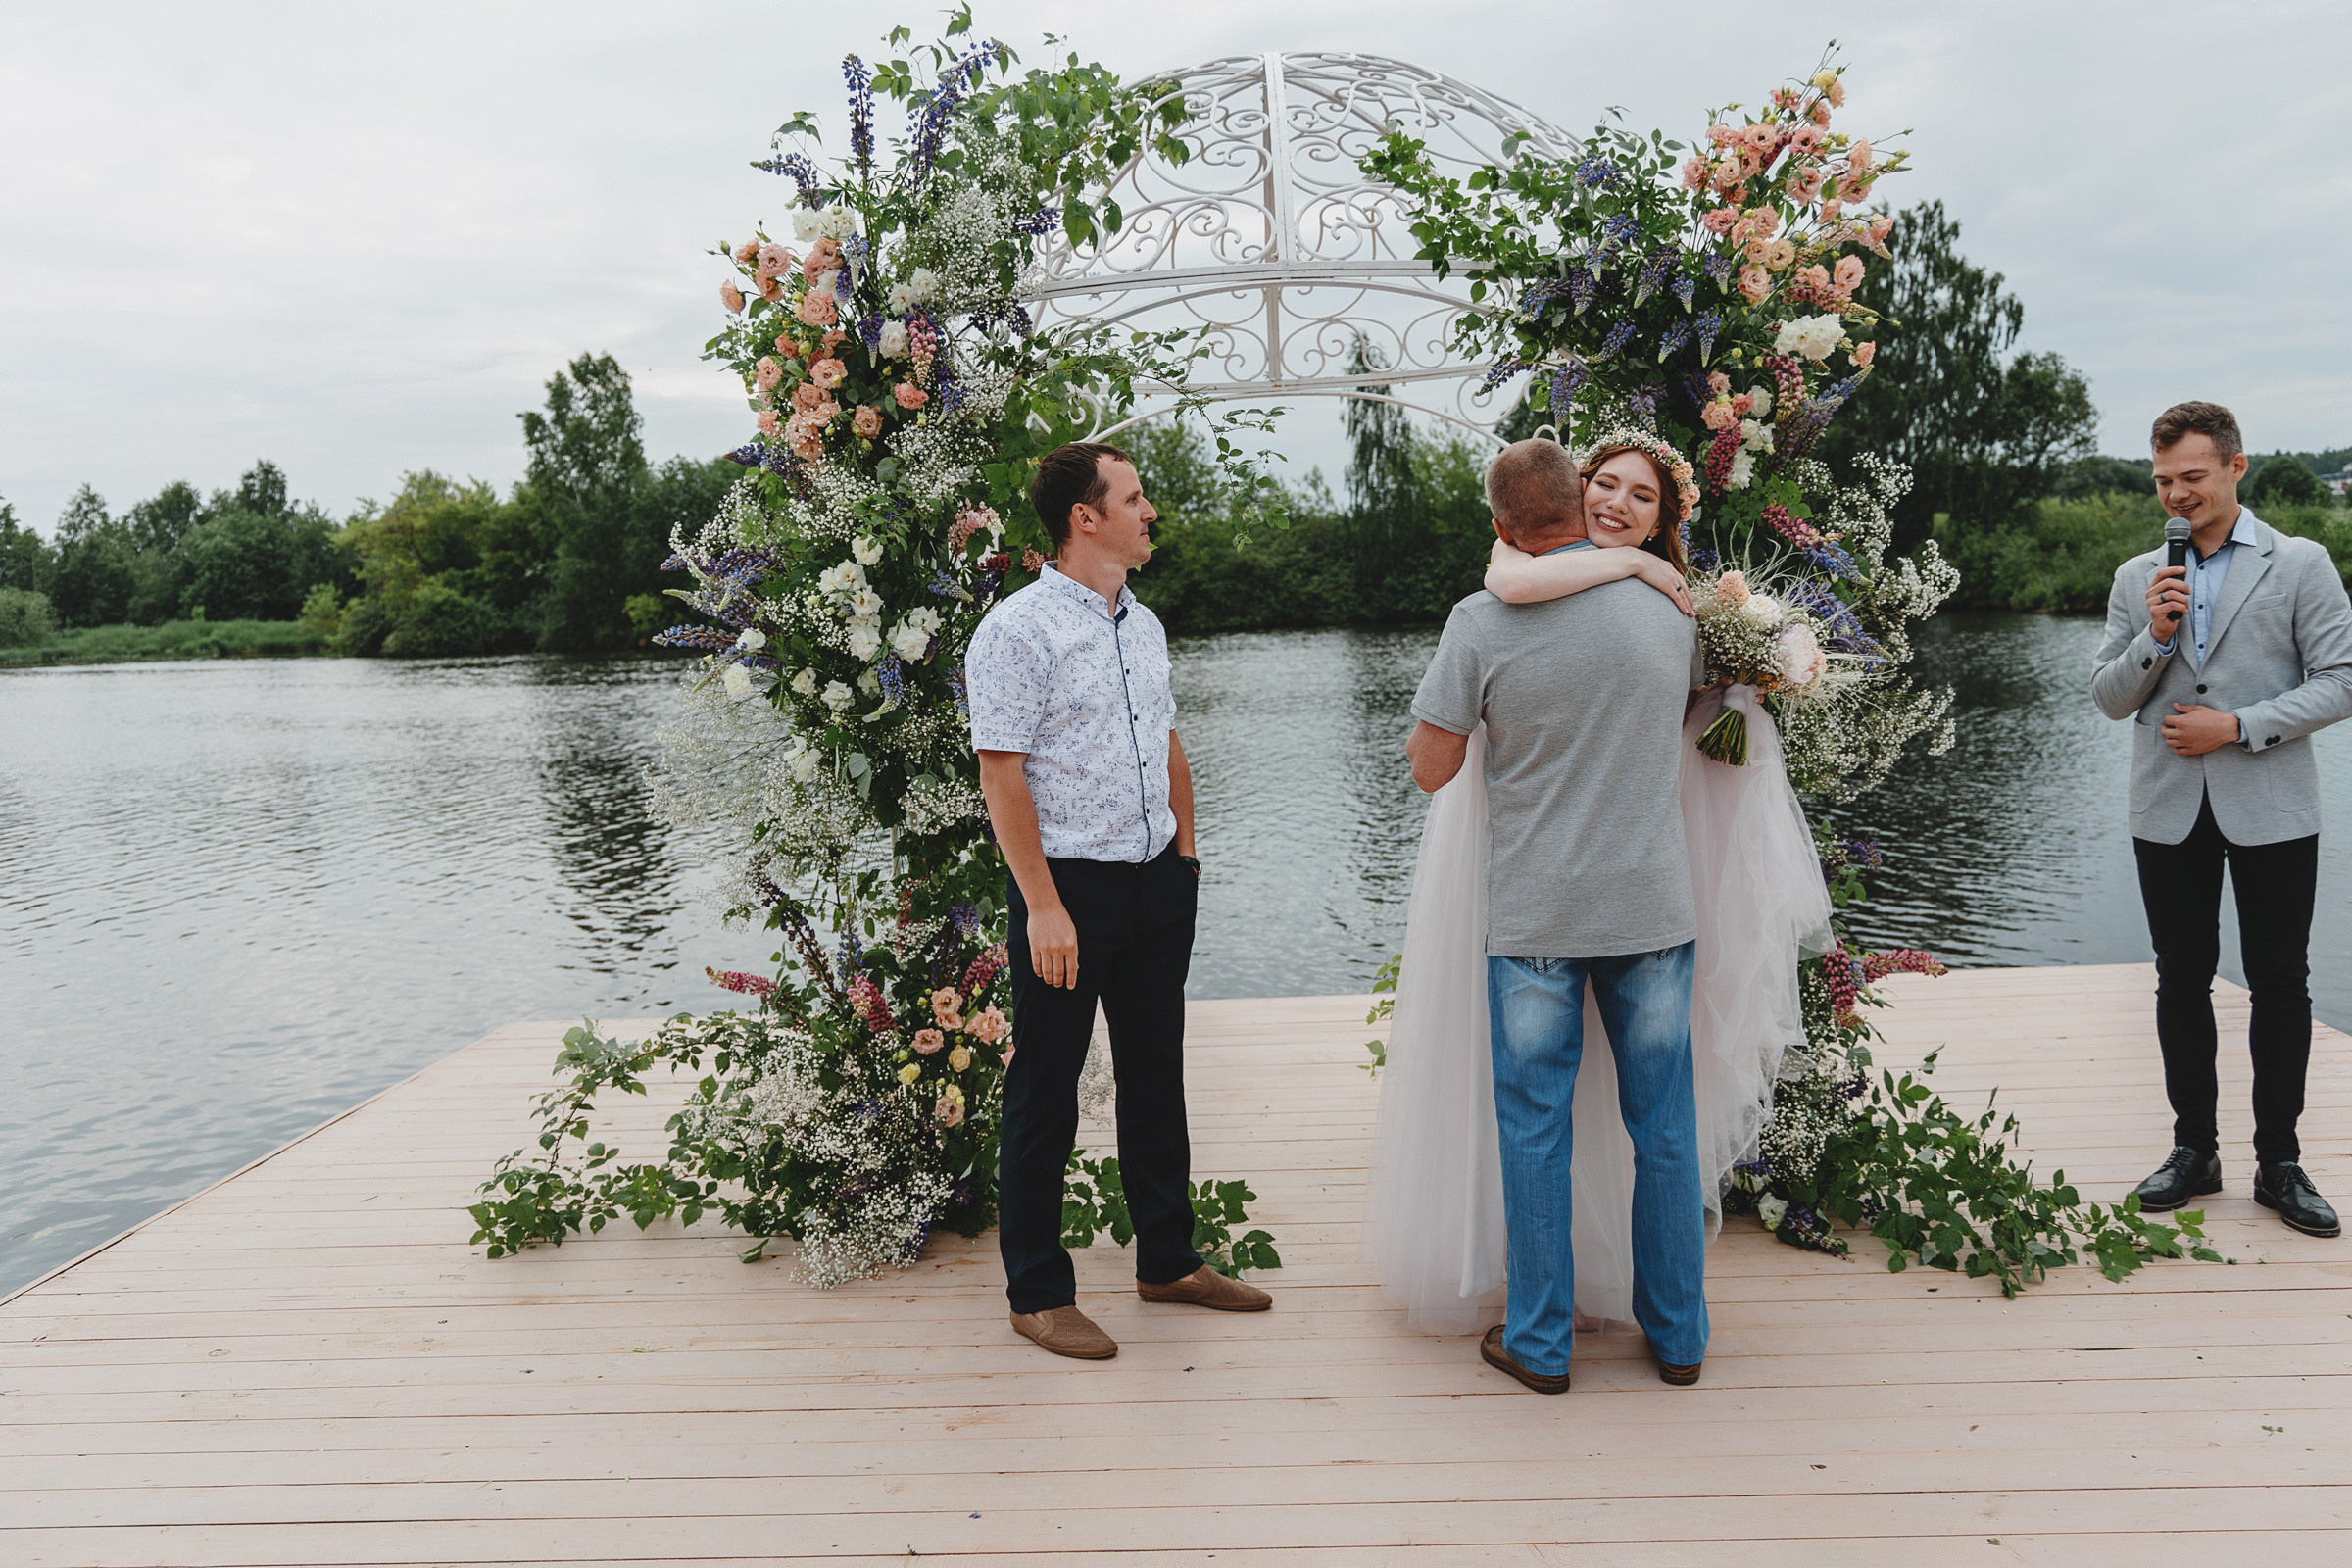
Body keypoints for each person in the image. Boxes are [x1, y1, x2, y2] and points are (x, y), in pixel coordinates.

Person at [1382, 435, 1761, 1393]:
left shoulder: (1478, 620)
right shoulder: (1672, 614)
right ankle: (1678, 1339)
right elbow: (1700, 722)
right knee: (1665, 1127)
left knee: (1536, 1128)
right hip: (1651, 909)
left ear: (1504, 526)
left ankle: (1543, 1345)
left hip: (1538, 919)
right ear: (1579, 502)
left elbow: (1433, 770)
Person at [965, 441, 1272, 1361]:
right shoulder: (1016, 631)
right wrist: (1044, 908)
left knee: (1156, 1073)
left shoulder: (1142, 623)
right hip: (1067, 890)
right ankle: (1037, 1291)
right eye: (1134, 499)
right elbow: (1001, 775)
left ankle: (1167, 1261)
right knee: (1046, 1090)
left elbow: (1166, 741)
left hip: (1154, 883)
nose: (1150, 512)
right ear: (1083, 519)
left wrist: (1185, 854)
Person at [2092, 401, 2352, 1239]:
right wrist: (2156, 636)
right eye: (2164, 480)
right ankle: (2193, 1151)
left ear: (2237, 468)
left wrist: (2237, 727)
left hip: (2273, 804)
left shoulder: (2302, 562)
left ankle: (2280, 1163)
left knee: (2281, 981)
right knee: (2180, 977)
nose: (2177, 494)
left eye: (2193, 478)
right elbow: (2107, 696)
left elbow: (2344, 680)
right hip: (2165, 808)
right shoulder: (2139, 577)